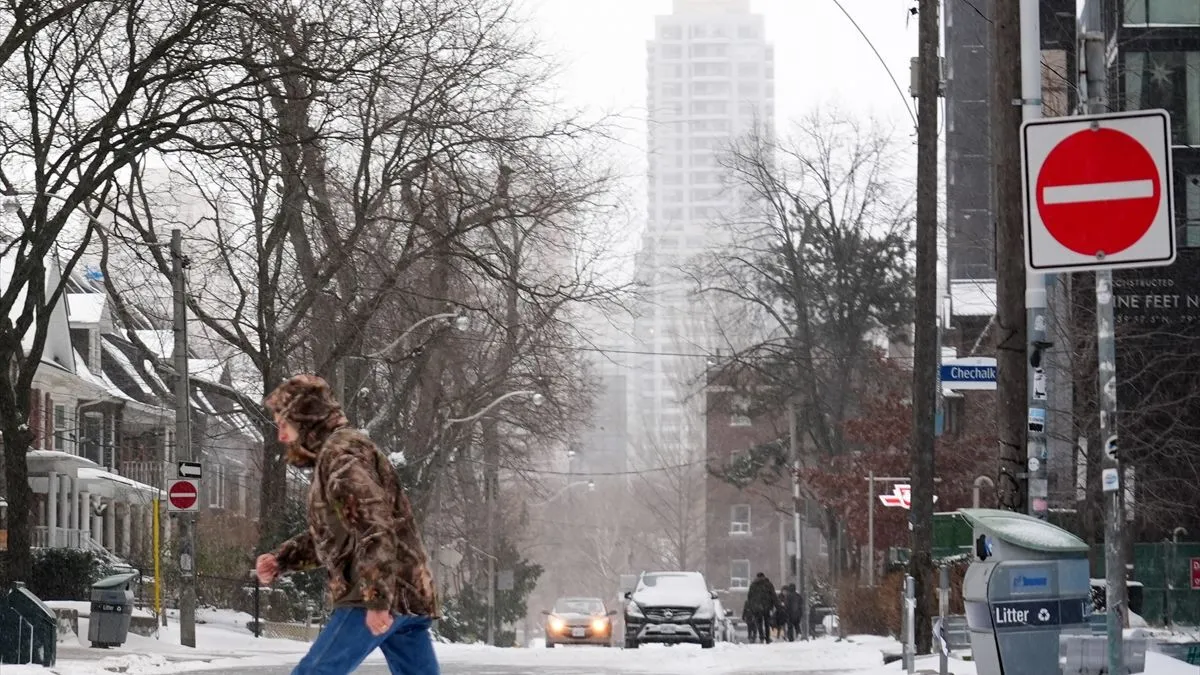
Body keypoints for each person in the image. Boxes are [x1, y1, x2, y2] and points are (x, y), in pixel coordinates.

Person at [255, 374, 440, 675]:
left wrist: (377, 598)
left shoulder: (340, 456)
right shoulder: (342, 452)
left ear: (305, 420)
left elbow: (373, 526)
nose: (281, 437)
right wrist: (282, 560)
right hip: (408, 592)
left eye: (283, 425)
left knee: (316, 672)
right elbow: (340, 535)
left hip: (373, 590)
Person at [745, 572, 776, 645]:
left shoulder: (753, 585)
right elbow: (773, 596)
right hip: (767, 607)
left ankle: (761, 637)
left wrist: (751, 607)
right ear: (764, 576)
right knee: (766, 623)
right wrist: (776, 605)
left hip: (757, 607)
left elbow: (749, 597)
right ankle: (767, 638)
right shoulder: (768, 585)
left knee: (759, 623)